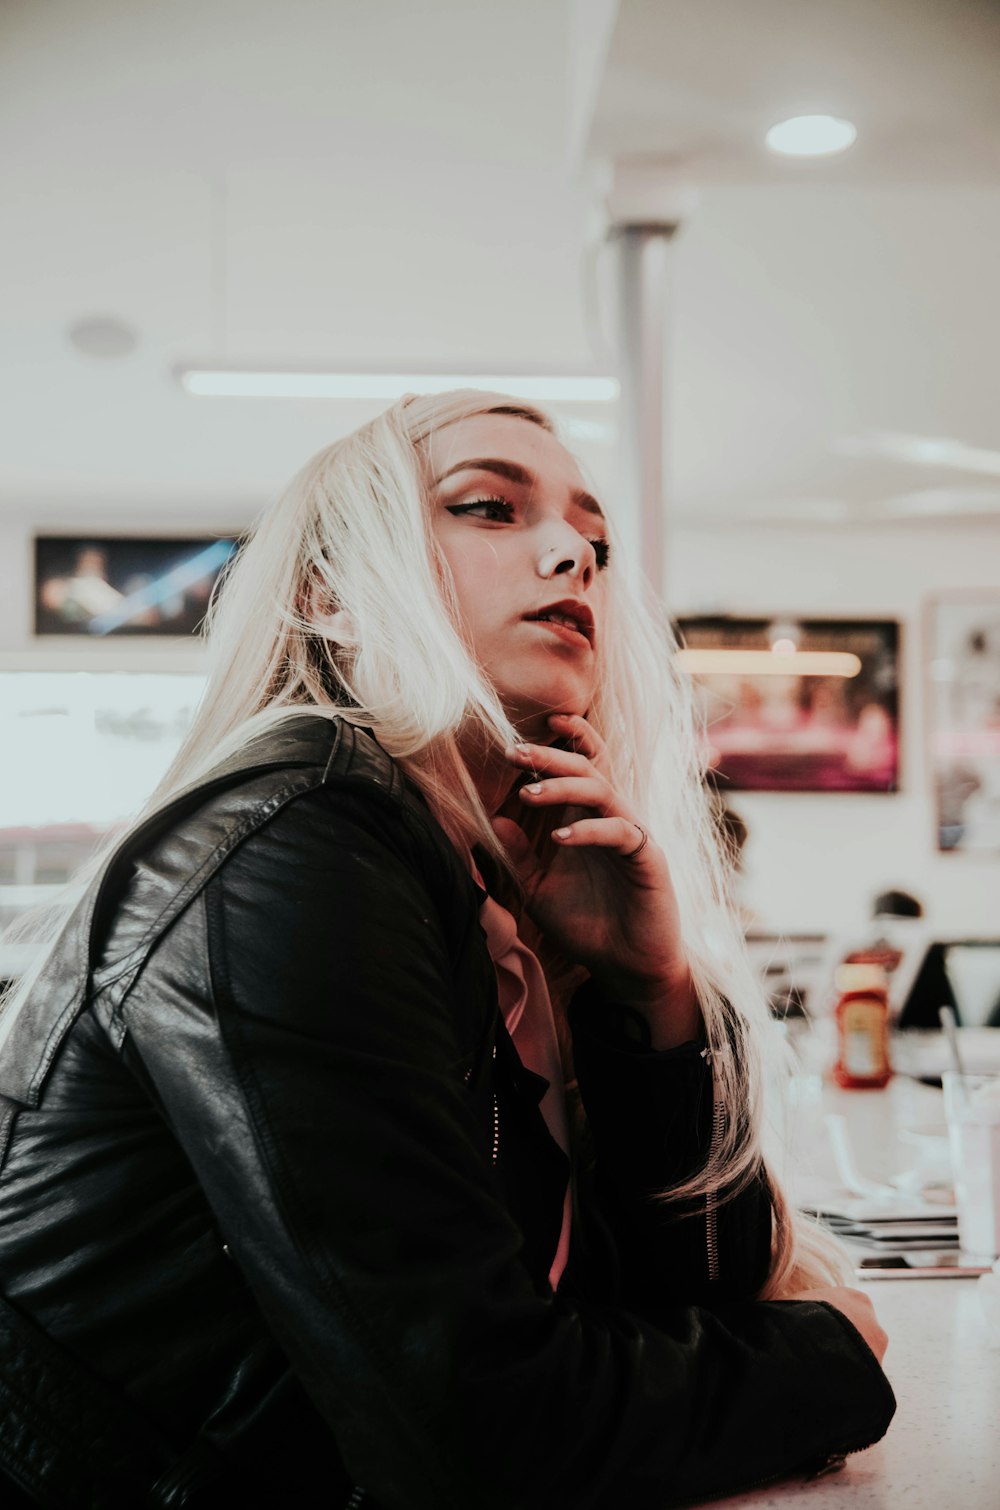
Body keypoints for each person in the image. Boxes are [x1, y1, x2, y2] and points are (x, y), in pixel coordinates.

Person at [0, 391, 894, 1510]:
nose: (573, 554)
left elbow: (685, 1294)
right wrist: (820, 1366)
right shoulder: (295, 848)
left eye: (597, 544)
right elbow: (474, 1428)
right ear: (329, 591)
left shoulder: (476, 884)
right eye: (487, 507)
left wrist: (649, 994)